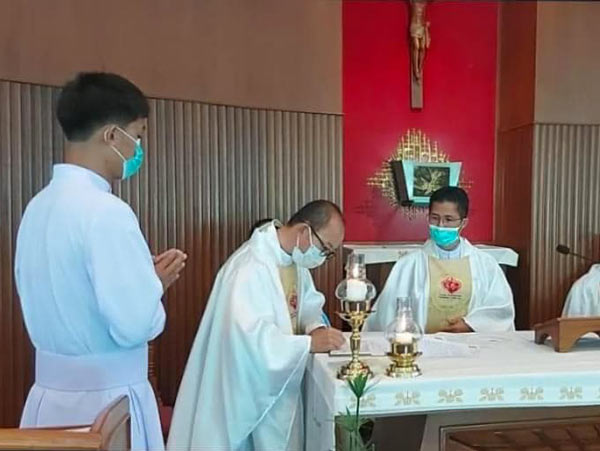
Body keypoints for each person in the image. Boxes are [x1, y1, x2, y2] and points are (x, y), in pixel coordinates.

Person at [15, 72, 186, 451]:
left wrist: (141, 281)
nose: (139, 148)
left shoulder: (38, 207)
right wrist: (153, 285)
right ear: (111, 135)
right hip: (107, 404)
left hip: (49, 398)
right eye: (137, 135)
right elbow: (134, 324)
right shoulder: (107, 211)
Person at [167, 200, 346, 451]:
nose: (324, 258)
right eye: (325, 249)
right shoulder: (250, 267)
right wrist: (307, 345)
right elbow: (249, 343)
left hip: (279, 389)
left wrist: (314, 326)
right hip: (247, 395)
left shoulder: (292, 260)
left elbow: (307, 305)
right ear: (304, 231)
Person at [365, 186, 515, 334]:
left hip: (470, 343)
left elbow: (500, 308)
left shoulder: (485, 264)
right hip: (422, 345)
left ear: (463, 223)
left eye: (448, 219)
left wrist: (470, 324)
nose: (440, 225)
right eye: (435, 218)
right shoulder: (409, 265)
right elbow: (387, 312)